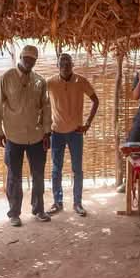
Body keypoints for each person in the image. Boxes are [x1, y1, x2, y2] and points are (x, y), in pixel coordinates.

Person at [0, 45, 52, 226]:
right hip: (13, 136)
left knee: (38, 175)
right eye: (26, 58)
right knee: (14, 176)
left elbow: (46, 108)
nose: (29, 62)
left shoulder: (40, 81)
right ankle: (14, 213)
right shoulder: (6, 78)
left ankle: (38, 209)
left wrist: (47, 132)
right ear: (20, 57)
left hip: (36, 136)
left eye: (33, 59)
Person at [46, 53, 99, 217]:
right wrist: (45, 127)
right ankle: (57, 202)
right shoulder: (50, 83)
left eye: (68, 63)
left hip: (76, 133)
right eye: (62, 64)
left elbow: (95, 100)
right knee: (56, 169)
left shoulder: (80, 81)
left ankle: (78, 203)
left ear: (72, 65)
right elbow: (40, 103)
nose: (65, 66)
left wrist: (87, 123)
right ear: (57, 66)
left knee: (77, 170)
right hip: (56, 132)